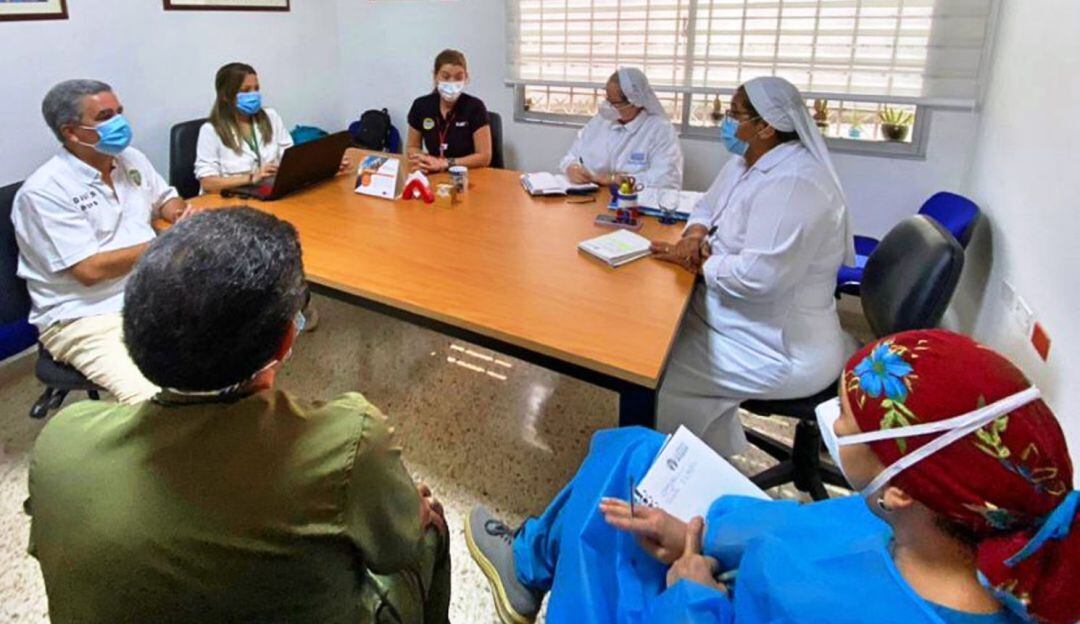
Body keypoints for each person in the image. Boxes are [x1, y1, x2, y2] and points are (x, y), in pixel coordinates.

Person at [466, 329, 1079, 624]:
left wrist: (692, 587)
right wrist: (692, 538)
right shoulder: (922, 527)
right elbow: (798, 535)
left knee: (597, 520)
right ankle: (529, 561)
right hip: (721, 559)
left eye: (846, 417)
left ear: (899, 486)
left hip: (696, 605)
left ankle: (527, 566)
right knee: (632, 447)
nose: (832, 421)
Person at [26, 207, 452, 624]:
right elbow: (397, 548)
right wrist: (414, 515)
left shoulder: (62, 436)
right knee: (429, 521)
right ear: (287, 339)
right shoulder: (349, 437)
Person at [649, 76, 856, 456]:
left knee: (659, 373)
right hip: (737, 316)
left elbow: (760, 278)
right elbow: (707, 205)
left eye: (733, 115)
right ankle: (714, 458)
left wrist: (699, 262)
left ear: (765, 126)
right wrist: (694, 235)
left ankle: (670, 473)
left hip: (775, 348)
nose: (725, 123)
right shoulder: (746, 161)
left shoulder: (794, 184)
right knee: (655, 331)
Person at [12, 79, 195, 404]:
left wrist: (178, 212)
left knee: (229, 353)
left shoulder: (130, 159)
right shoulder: (44, 192)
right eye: (105, 116)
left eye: (120, 112)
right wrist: (164, 242)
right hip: (85, 315)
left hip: (149, 290)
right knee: (156, 399)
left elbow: (164, 198)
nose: (120, 124)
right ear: (71, 132)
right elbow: (89, 269)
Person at [559, 67, 683, 190]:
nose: (607, 107)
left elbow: (667, 180)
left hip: (634, 200)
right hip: (592, 196)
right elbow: (571, 156)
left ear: (635, 102)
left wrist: (617, 180)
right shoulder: (599, 122)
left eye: (614, 103)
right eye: (607, 99)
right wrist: (570, 168)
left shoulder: (660, 130)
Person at [194, 62, 295, 194]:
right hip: (230, 200)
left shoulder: (271, 117)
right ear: (225, 96)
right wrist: (251, 178)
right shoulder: (210, 131)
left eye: (256, 88)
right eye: (245, 90)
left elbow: (290, 156)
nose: (254, 95)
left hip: (269, 192)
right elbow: (208, 183)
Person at [406, 49, 492, 174]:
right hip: (432, 173)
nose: (452, 82)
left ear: (466, 78)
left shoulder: (475, 107)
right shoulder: (421, 105)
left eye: (458, 77)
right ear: (435, 76)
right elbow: (412, 147)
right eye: (445, 77)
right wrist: (425, 160)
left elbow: (484, 157)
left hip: (467, 174)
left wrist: (446, 163)